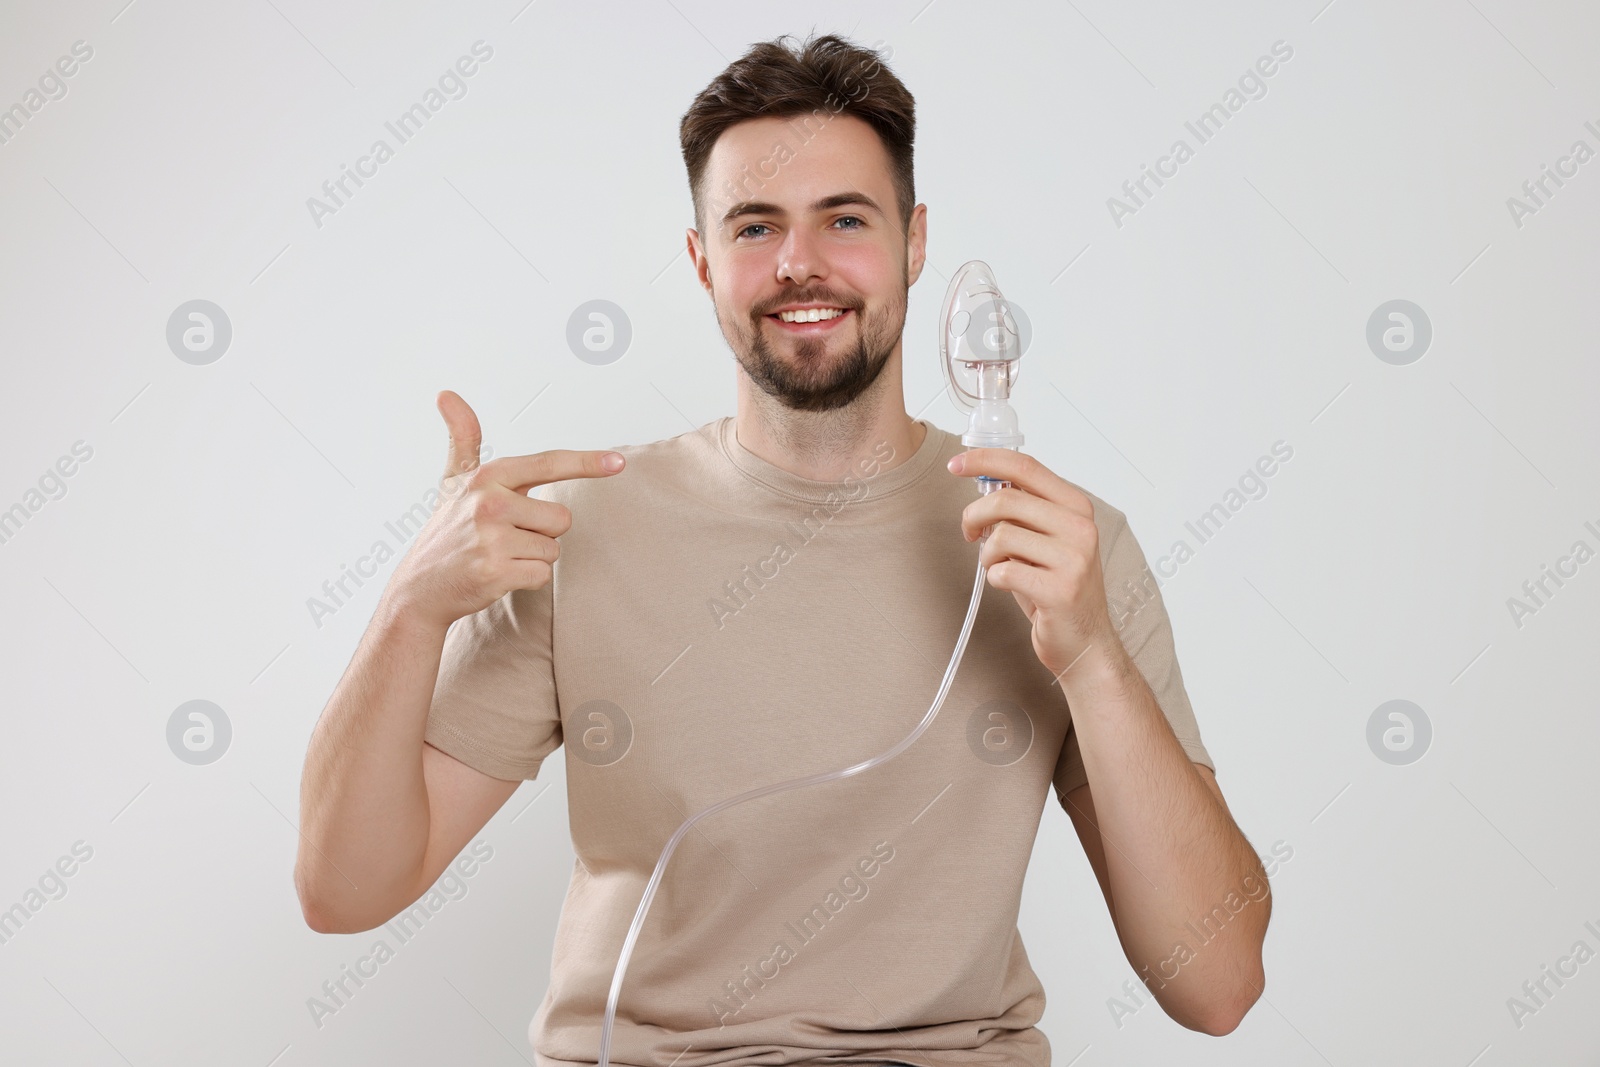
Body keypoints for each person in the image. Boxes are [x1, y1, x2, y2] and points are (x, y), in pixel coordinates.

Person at [295, 32, 1269, 1067]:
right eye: (755, 225)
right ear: (700, 258)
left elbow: (1216, 985)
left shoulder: (1056, 547)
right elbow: (346, 890)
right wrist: (411, 603)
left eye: (844, 219)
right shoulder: (577, 528)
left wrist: (1092, 656)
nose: (799, 261)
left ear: (914, 241)